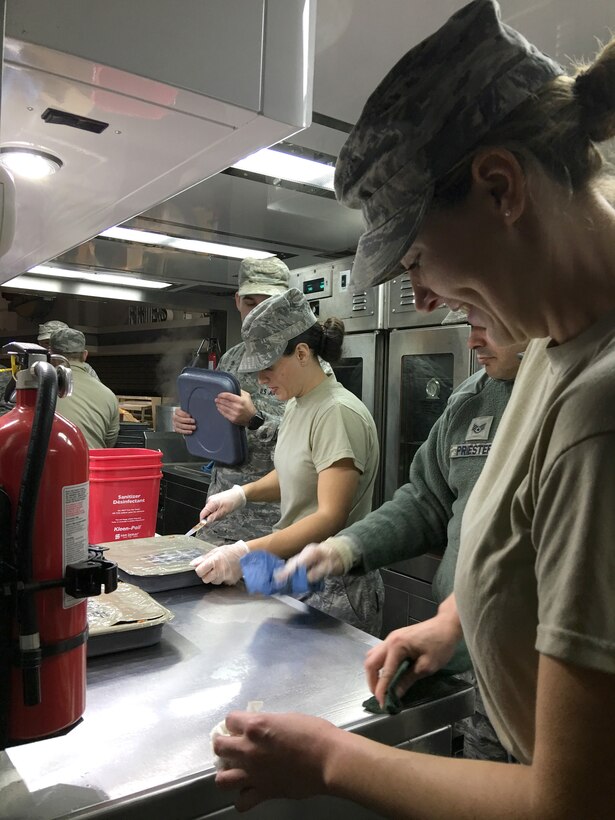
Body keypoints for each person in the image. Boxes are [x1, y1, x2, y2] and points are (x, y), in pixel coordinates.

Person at [212, 1, 615, 815]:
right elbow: (520, 537)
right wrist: (457, 619)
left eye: (419, 256)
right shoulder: (546, 351)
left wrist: (327, 759)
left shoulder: (600, 408)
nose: (425, 296)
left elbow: (572, 801)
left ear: (500, 187)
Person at [284, 323, 525, 761]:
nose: (472, 341)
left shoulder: (581, 398)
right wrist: (347, 547)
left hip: (550, 673)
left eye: (484, 321)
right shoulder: (473, 398)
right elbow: (427, 501)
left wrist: (461, 626)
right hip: (476, 669)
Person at [191, 288, 383, 636]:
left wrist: (245, 552)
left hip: (336, 585)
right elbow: (297, 473)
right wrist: (240, 494)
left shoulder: (336, 411)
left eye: (268, 367)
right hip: (301, 577)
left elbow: (330, 516)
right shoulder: (299, 403)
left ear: (302, 353)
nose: (261, 380)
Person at [173, 257, 290, 545]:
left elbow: (312, 446)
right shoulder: (233, 358)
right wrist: (193, 423)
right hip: (222, 518)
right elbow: (222, 429)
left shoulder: (301, 358)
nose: (257, 314)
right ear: (237, 301)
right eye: (251, 303)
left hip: (272, 526)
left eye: (268, 304)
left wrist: (255, 420)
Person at [50, 328, 120, 449]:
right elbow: (109, 443)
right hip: (92, 465)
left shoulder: (39, 387)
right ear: (85, 355)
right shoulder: (109, 395)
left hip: (52, 465)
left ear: (51, 355)